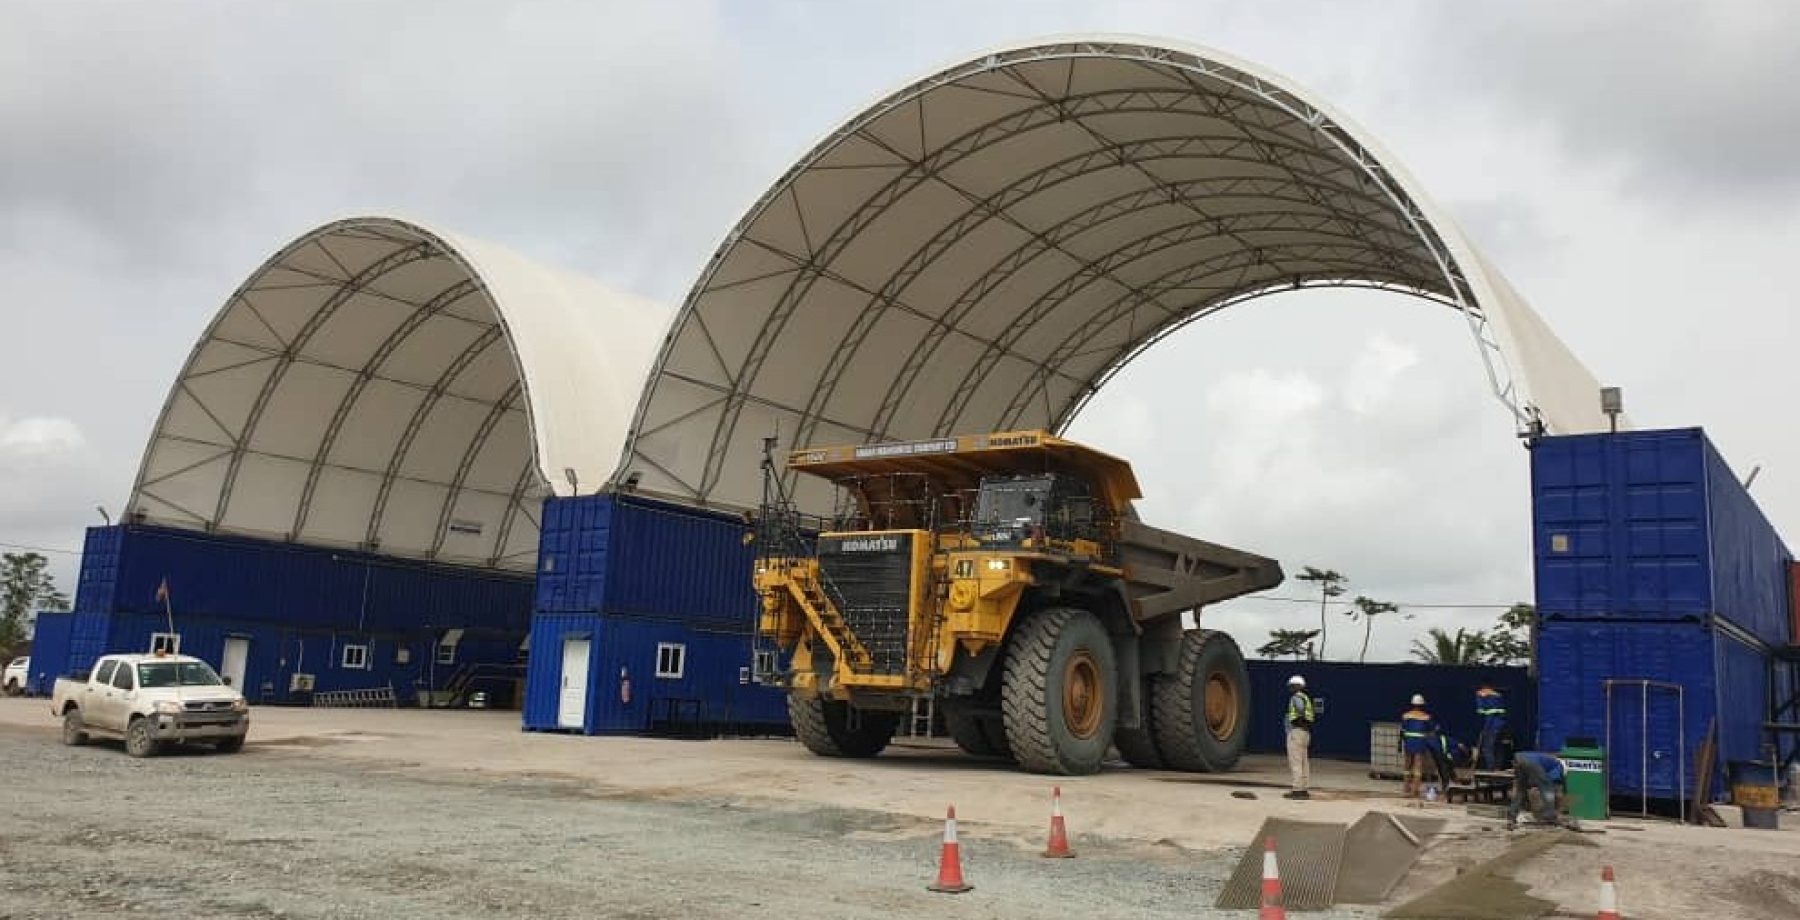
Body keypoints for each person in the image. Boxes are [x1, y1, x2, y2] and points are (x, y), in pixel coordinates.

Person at [1507, 751, 1567, 829]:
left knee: (1520, 789)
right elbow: (1550, 784)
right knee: (1547, 788)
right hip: (1531, 762)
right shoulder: (1558, 765)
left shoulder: (1549, 760)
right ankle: (1550, 815)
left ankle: (1512, 816)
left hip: (1518, 758)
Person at [1400, 694, 1439, 797]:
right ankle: (1415, 789)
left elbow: (1403, 730)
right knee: (1418, 767)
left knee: (1407, 766)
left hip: (1408, 743)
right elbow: (1432, 730)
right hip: (1420, 743)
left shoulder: (1406, 715)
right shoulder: (1426, 717)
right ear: (1422, 705)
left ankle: (1406, 787)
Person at [1283, 675, 1315, 800]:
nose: (1290, 688)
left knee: (1295, 761)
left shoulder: (1296, 698)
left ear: (1297, 686)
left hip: (1296, 732)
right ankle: (1304, 789)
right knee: (1303, 762)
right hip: (1305, 733)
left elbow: (1300, 710)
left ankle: (1297, 790)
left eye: (1291, 686)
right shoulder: (1306, 698)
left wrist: (1298, 721)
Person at [1474, 685, 1508, 769]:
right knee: (1498, 747)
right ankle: (1498, 767)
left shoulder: (1485, 699)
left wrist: (1485, 729)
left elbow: (1487, 714)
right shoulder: (1499, 697)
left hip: (1491, 727)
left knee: (1487, 748)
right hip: (1501, 726)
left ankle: (1491, 769)